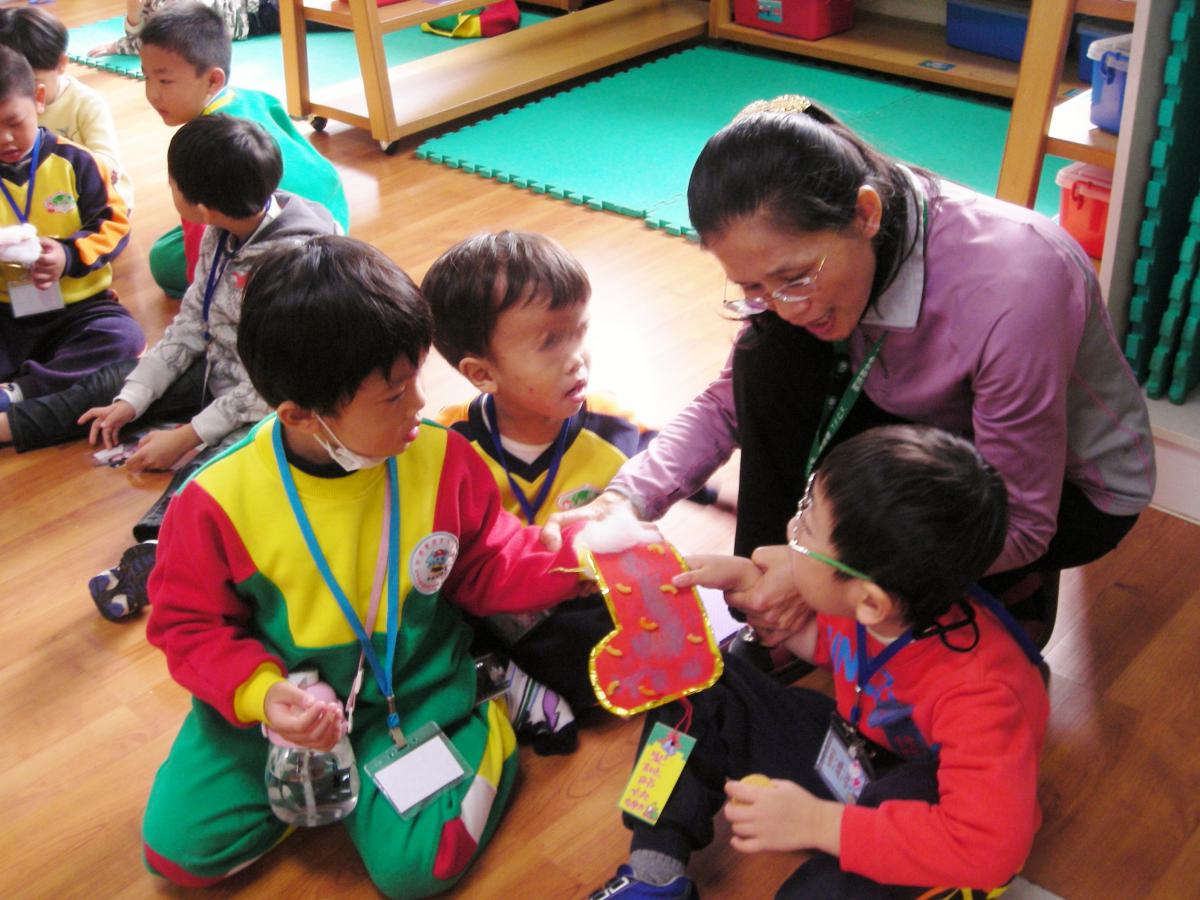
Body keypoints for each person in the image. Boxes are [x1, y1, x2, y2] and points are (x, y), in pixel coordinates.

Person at [546, 94, 1155, 652]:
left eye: (795, 278)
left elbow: (1021, 521)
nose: (785, 304)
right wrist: (626, 500)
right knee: (767, 360)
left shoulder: (1016, 282)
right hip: (920, 421)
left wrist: (822, 572)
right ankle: (773, 607)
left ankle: (991, 590)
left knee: (907, 623)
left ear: (866, 213)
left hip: (1064, 495)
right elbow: (732, 399)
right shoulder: (816, 259)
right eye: (754, 288)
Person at [141, 234, 591, 897]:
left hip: (407, 695)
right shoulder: (213, 503)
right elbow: (188, 628)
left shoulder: (441, 460)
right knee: (178, 857)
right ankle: (343, 779)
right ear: (301, 415)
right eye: (392, 395)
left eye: (416, 379)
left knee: (415, 872)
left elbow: (489, 559)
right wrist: (263, 697)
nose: (419, 407)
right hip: (281, 708)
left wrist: (576, 556)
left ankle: (485, 707)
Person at [590, 425, 1050, 899]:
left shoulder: (982, 695)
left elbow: (991, 850)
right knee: (694, 685)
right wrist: (751, 585)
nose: (791, 529)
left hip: (929, 806)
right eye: (806, 505)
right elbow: (834, 648)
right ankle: (652, 868)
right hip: (857, 757)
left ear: (869, 600)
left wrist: (820, 824)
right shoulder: (886, 604)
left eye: (807, 527)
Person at [1, 114, 338, 619]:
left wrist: (187, 437)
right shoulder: (220, 231)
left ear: (198, 203)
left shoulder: (295, 266)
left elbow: (269, 390)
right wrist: (132, 401)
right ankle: (12, 423)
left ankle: (158, 550)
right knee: (116, 382)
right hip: (217, 372)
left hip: (277, 401)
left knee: (217, 468)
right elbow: (189, 326)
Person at [424, 230, 668, 754]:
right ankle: (503, 681)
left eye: (579, 333)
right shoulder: (448, 448)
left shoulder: (613, 424)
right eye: (550, 342)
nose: (576, 358)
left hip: (578, 594)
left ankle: (511, 684)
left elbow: (663, 471)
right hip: (495, 602)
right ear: (481, 373)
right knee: (438, 624)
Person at [139, 0, 348, 297]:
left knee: (162, 258)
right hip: (332, 210)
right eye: (146, 77)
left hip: (291, 244)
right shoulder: (254, 96)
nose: (152, 93)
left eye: (165, 81)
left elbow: (202, 253)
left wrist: (203, 290)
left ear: (212, 79)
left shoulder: (202, 144)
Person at [0, 46, 138, 413]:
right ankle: (41, 379)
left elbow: (115, 223)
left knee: (122, 339)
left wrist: (67, 254)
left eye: (14, 123)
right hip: (6, 313)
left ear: (39, 100)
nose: (5, 139)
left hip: (78, 309)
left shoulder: (76, 161)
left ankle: (20, 390)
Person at [0, 6, 134, 210]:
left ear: (61, 63)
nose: (25, 96)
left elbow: (108, 163)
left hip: (88, 196)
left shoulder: (86, 104)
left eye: (34, 83)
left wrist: (62, 170)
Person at [86, 0, 280, 59]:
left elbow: (161, 40)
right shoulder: (150, 6)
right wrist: (132, 14)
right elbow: (151, 37)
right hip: (255, 17)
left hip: (253, 9)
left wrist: (117, 46)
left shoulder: (169, 7)